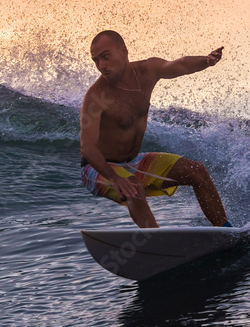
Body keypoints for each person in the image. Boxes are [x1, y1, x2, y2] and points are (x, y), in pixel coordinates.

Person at [79, 29, 231, 229]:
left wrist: (207, 61)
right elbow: (88, 148)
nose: (101, 66)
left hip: (132, 161)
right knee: (132, 185)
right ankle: (157, 243)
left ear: (123, 51)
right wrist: (114, 177)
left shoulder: (147, 71)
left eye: (105, 57)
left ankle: (226, 231)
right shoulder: (96, 96)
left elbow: (180, 64)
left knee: (197, 171)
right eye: (96, 61)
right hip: (98, 169)